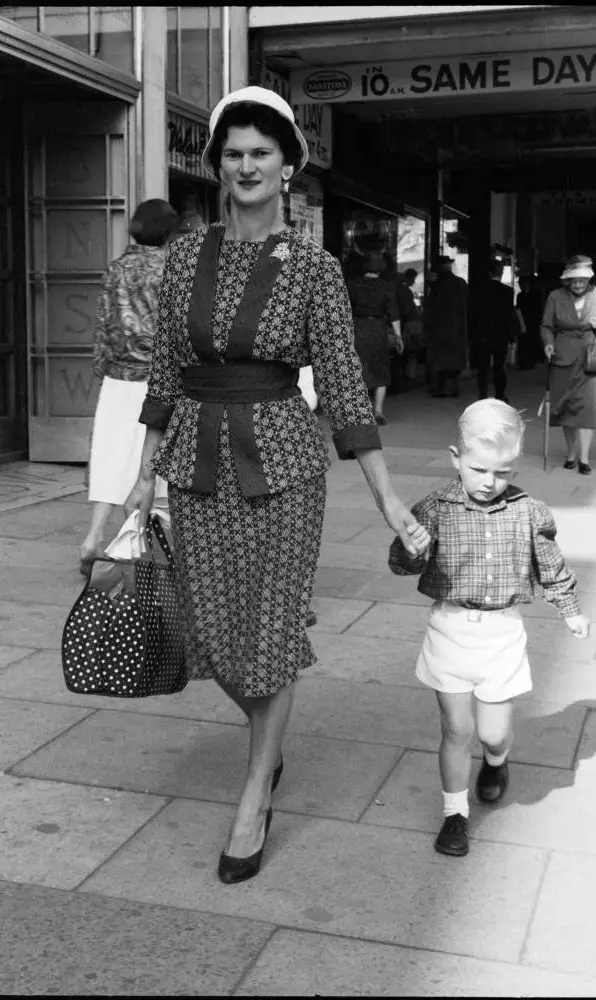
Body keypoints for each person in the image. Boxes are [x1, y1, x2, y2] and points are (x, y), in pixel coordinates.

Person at [127, 85, 420, 885]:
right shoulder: (186, 254)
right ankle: (270, 743)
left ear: (287, 166)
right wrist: (135, 487)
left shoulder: (317, 268)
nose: (246, 165)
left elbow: (346, 389)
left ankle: (255, 792)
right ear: (217, 167)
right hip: (194, 459)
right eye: (233, 153)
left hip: (285, 463)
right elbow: (161, 376)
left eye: (261, 152)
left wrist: (388, 497)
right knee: (218, 643)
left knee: (270, 632)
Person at [388, 399, 590, 857]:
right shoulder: (436, 507)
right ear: (456, 458)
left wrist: (570, 609)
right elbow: (400, 562)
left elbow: (551, 566)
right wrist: (412, 548)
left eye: (502, 472)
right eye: (479, 469)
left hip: (501, 634)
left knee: (493, 732)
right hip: (450, 628)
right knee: (456, 730)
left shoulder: (529, 511)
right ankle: (454, 815)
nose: (489, 482)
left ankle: (496, 761)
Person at [80, 199, 177, 573]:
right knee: (152, 458)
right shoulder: (170, 269)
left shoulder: (116, 268)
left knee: (109, 455)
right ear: (168, 232)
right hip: (158, 379)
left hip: (118, 378)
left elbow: (104, 325)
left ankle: (92, 538)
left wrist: (101, 370)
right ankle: (138, 543)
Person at [540, 254, 596, 476]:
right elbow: (546, 325)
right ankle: (570, 454)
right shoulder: (555, 296)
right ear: (566, 281)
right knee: (566, 407)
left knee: (588, 408)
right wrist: (548, 344)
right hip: (562, 357)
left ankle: (584, 458)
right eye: (574, 280)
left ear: (589, 279)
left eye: (583, 280)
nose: (579, 284)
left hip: (592, 358)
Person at [346, 248, 402, 424]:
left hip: (357, 329)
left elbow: (344, 309)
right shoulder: (386, 287)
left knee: (357, 369)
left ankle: (358, 411)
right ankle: (377, 410)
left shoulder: (352, 284)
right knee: (381, 370)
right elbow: (393, 313)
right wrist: (399, 336)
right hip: (378, 329)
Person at [472, 259, 522, 404]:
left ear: (488, 272)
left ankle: (482, 395)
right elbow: (509, 314)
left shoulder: (479, 290)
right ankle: (500, 395)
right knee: (499, 367)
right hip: (500, 334)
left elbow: (474, 313)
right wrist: (512, 335)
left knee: (483, 367)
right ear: (500, 273)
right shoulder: (507, 291)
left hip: (482, 334)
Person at [424, 255, 468, 398]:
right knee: (455, 358)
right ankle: (455, 387)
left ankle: (441, 388)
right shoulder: (461, 283)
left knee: (440, 359)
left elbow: (430, 310)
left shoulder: (436, 286)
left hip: (440, 329)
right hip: (458, 328)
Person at [516, 272, 544, 369]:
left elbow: (538, 309)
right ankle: (525, 362)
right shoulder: (521, 295)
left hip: (532, 321)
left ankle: (530, 361)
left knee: (531, 341)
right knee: (524, 342)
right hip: (524, 320)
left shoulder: (535, 294)